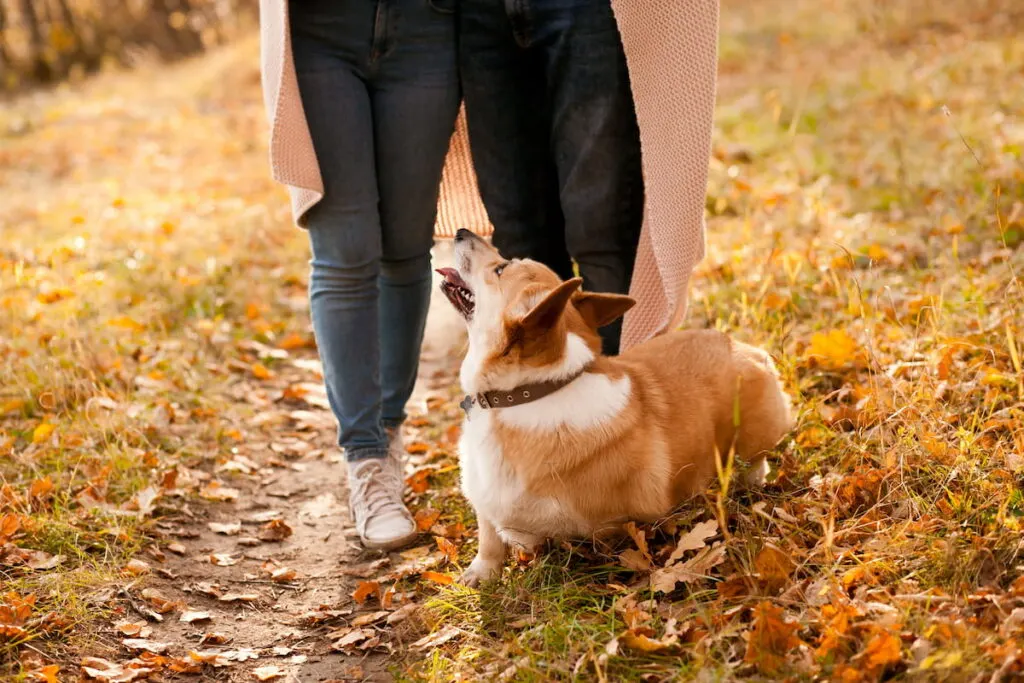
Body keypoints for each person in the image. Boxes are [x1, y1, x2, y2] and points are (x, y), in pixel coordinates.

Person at [258, 0, 459, 550]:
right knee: (344, 251)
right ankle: (367, 460)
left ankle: (388, 434)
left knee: (405, 247)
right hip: (319, 29)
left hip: (429, 27)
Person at [458, 0, 643, 356]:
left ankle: (621, 393)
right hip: (480, 13)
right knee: (517, 229)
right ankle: (542, 396)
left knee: (602, 224)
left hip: (590, 9)